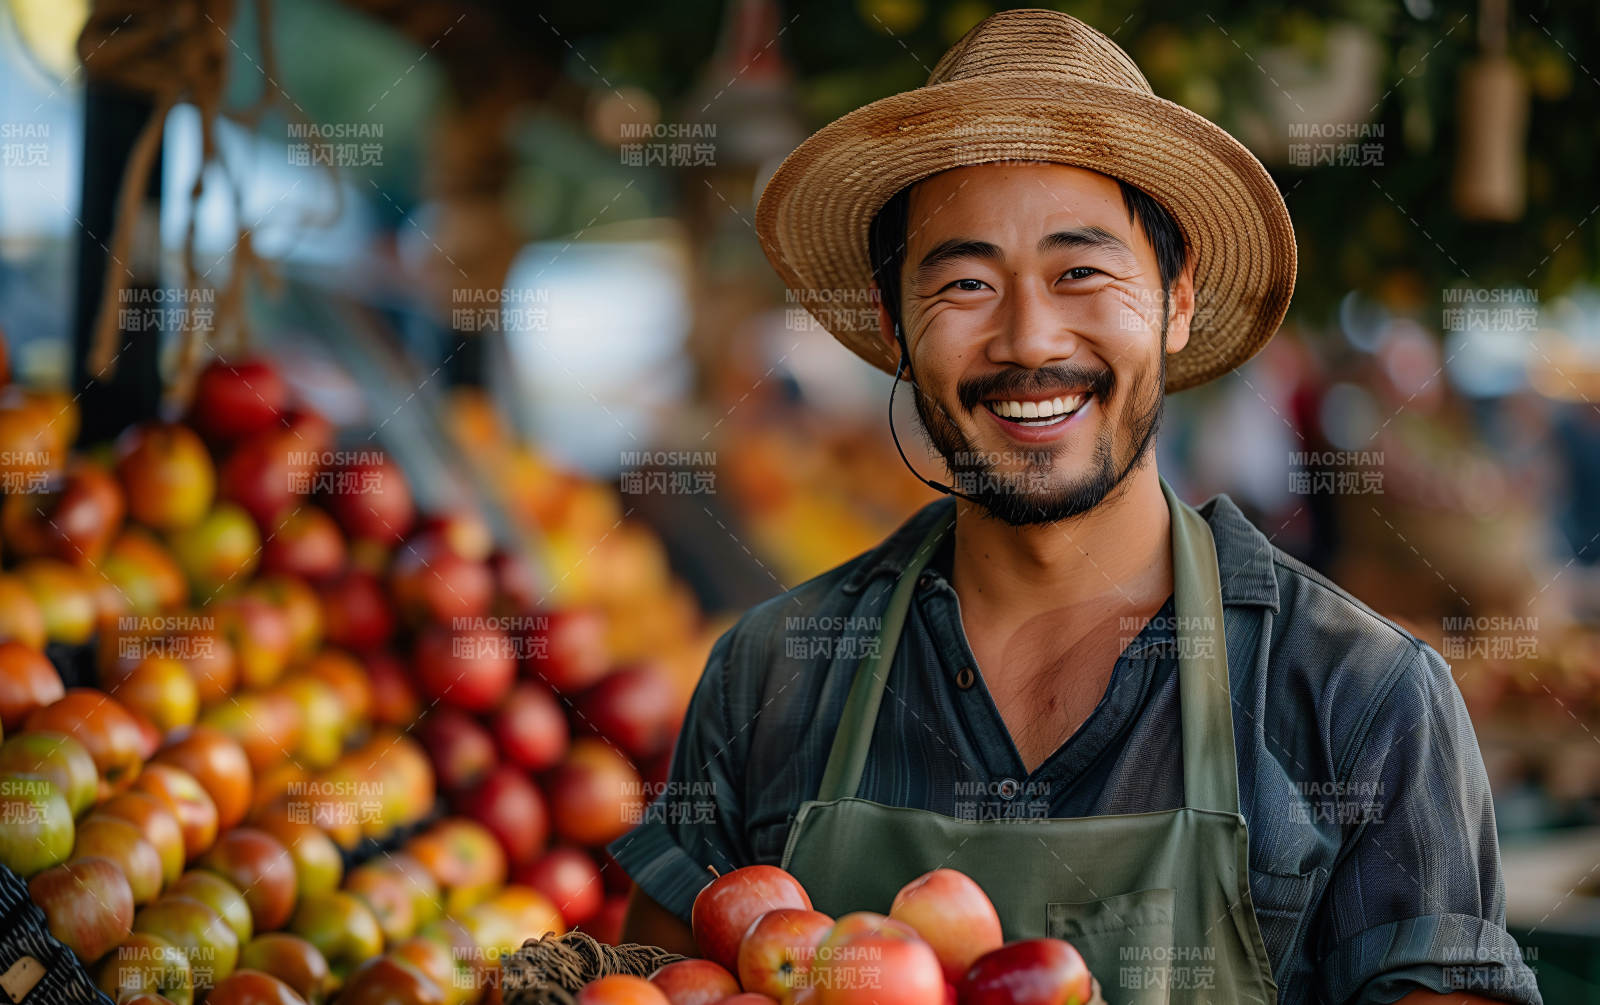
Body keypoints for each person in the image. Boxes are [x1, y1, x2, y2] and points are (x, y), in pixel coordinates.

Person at [610, 10, 1540, 1003]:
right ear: (893, 325)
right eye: (964, 281)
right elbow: (656, 983)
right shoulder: (773, 681)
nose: (1027, 339)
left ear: (1176, 299)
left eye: (1081, 272)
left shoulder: (1358, 702)